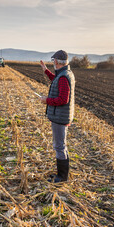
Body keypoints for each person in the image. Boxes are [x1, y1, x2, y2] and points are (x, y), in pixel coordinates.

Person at [39, 50, 75, 183]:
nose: (53, 62)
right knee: (61, 145)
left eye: (53, 60)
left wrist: (46, 100)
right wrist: (46, 71)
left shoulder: (64, 77)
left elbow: (63, 99)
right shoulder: (64, 74)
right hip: (61, 116)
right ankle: (62, 175)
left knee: (59, 146)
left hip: (60, 118)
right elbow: (56, 80)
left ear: (57, 62)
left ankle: (62, 177)